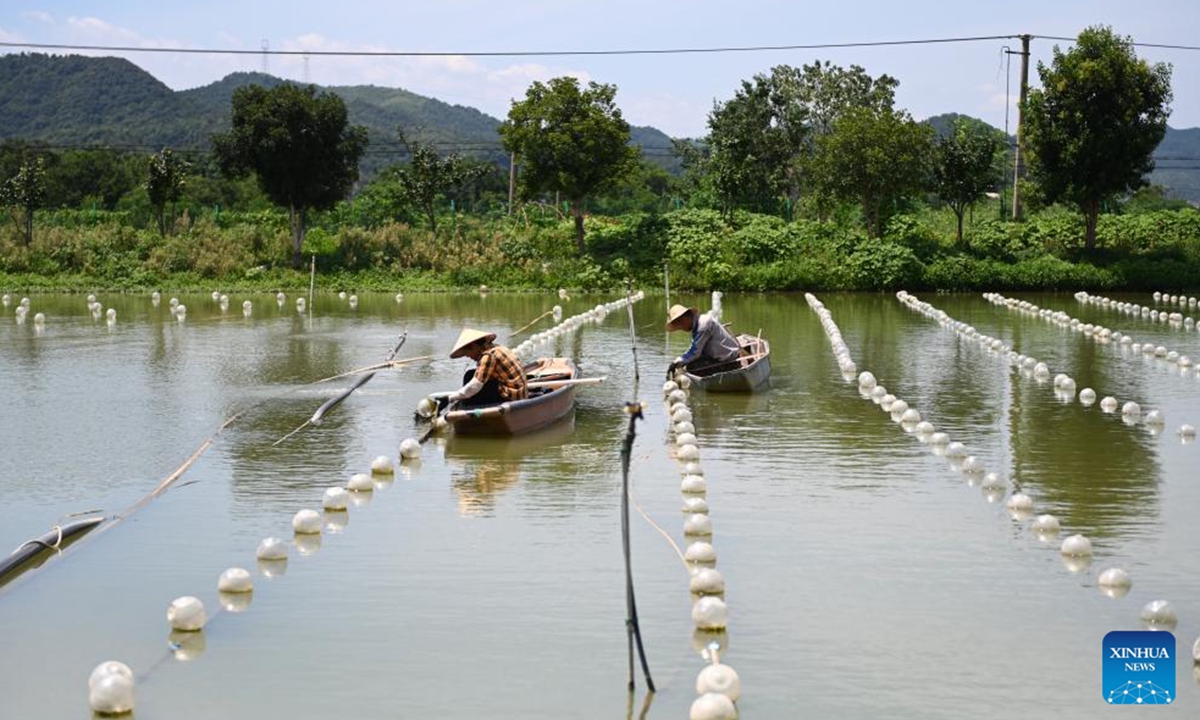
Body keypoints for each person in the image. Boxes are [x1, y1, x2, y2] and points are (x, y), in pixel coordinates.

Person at [436, 328, 528, 410]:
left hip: (511, 397)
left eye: (467, 352)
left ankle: (467, 410)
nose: (468, 356)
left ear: (474, 347)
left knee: (469, 377)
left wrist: (450, 398)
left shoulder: (488, 356)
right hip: (520, 394)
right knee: (472, 374)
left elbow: (475, 386)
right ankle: (466, 404)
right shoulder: (498, 348)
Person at [665, 304, 741, 377]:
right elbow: (694, 348)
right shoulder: (698, 324)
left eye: (680, 324)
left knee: (692, 367)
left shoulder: (703, 325)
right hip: (720, 357)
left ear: (685, 318)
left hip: (729, 360)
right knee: (689, 363)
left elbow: (695, 352)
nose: (681, 328)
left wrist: (678, 361)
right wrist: (678, 360)